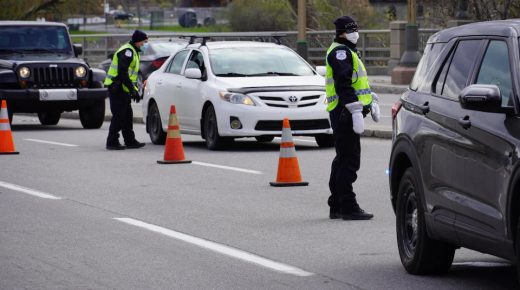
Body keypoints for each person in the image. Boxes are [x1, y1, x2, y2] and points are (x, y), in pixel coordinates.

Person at [325, 16, 380, 220]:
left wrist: (369, 99)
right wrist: (355, 110)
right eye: (352, 30)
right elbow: (343, 84)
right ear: (342, 32)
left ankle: (337, 204)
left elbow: (356, 82)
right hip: (344, 112)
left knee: (342, 159)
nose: (356, 33)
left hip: (344, 111)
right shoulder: (341, 52)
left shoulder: (348, 51)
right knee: (349, 161)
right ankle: (348, 205)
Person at [104, 30, 149, 150]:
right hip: (117, 88)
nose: (144, 45)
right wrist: (132, 89)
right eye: (143, 42)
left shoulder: (134, 51)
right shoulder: (127, 51)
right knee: (119, 116)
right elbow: (122, 73)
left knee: (128, 116)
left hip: (123, 89)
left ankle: (130, 140)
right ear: (138, 41)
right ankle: (112, 141)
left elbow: (132, 75)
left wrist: (134, 90)